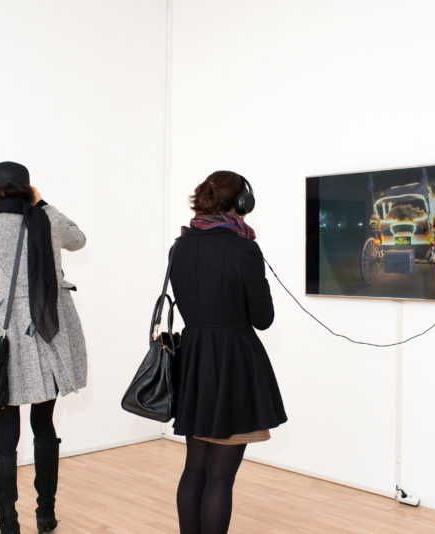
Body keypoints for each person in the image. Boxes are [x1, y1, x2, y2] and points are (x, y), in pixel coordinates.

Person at [0, 161, 87, 534]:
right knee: (43, 421)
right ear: (27, 188)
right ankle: (45, 515)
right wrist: (43, 202)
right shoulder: (45, 220)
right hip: (48, 327)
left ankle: (8, 525)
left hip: (6, 335)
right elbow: (79, 238)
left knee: (5, 429)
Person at [169, 170, 287, 534]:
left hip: (194, 360)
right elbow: (263, 318)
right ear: (241, 203)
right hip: (233, 364)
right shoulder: (244, 248)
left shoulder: (180, 245)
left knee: (195, 469)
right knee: (220, 478)